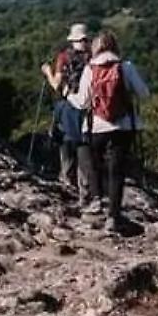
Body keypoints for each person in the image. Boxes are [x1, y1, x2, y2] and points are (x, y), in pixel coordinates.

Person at [66, 30, 150, 233]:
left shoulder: (90, 69)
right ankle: (114, 215)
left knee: (95, 167)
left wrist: (68, 94)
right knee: (117, 171)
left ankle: (96, 203)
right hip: (123, 127)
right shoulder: (125, 67)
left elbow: (82, 102)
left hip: (96, 127)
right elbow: (144, 94)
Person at [41, 23, 91, 200]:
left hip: (68, 104)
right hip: (89, 107)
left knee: (67, 143)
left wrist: (47, 71)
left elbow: (56, 85)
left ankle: (67, 183)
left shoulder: (64, 57)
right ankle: (85, 188)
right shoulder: (93, 58)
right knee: (85, 147)